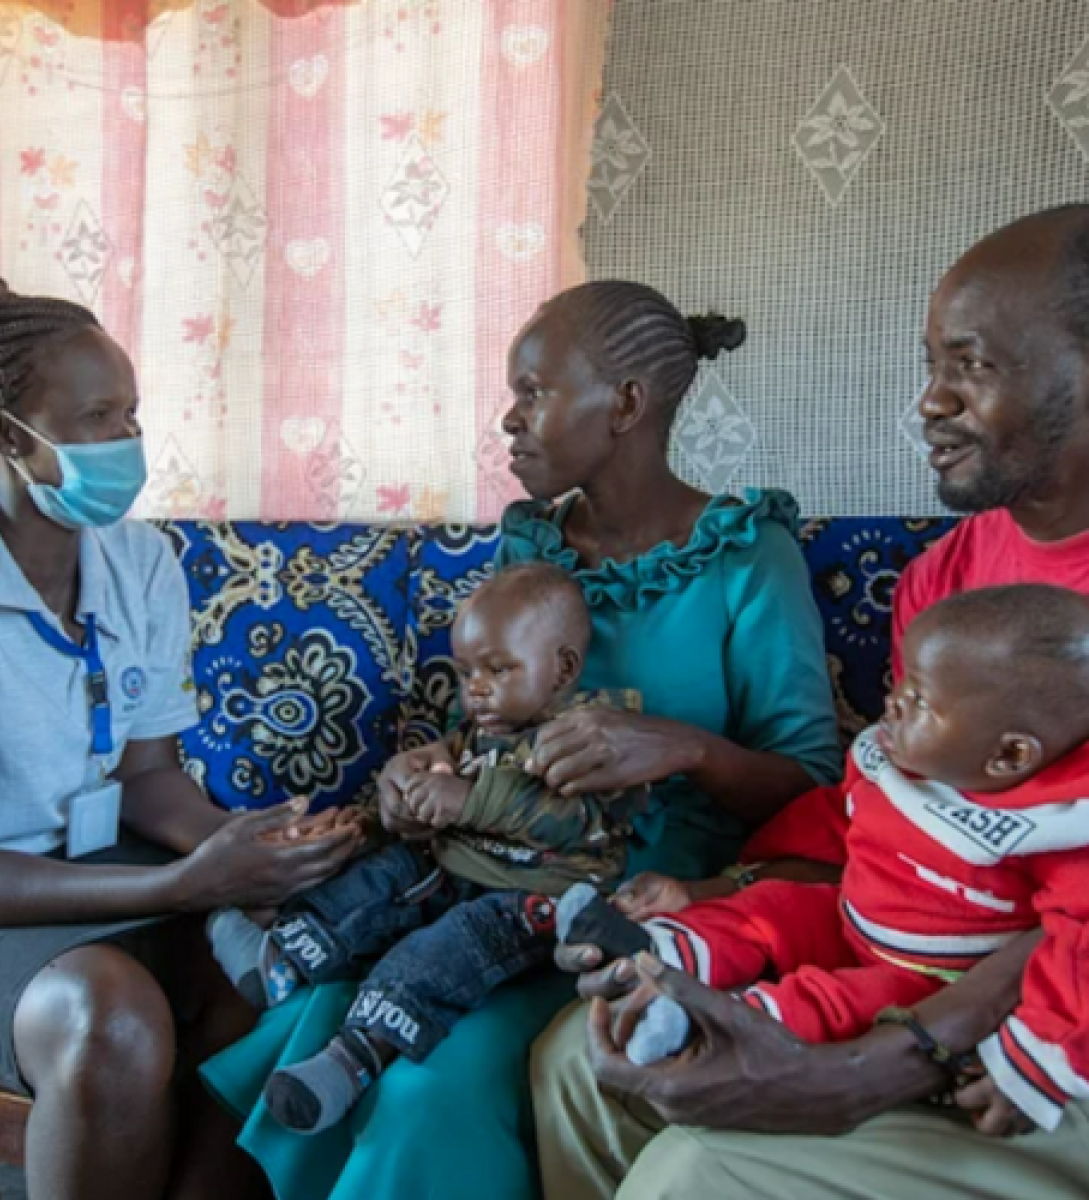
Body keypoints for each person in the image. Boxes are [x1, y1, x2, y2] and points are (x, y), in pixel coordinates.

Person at [200, 280, 842, 1199]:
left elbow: (812, 794)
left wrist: (681, 746)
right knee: (326, 1008)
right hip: (484, 873)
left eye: (533, 392)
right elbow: (486, 721)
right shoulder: (530, 552)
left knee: (430, 1085)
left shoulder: (744, 555)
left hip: (633, 909)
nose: (509, 420)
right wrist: (425, 770)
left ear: (626, 403)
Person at [533, 204, 1089, 1200]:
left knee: (690, 1175)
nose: (929, 401)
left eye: (973, 366)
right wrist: (724, 896)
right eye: (932, 365)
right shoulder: (948, 578)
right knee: (582, 1060)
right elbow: (892, 808)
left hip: (1048, 1040)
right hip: (911, 976)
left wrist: (873, 1066)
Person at [0, 272, 364, 1200]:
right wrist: (180, 883)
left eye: (132, 414)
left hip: (103, 870)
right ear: (3, 437)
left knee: (294, 960)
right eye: (97, 418)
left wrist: (248, 841)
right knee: (109, 1020)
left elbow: (150, 779)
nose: (128, 443)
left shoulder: (140, 562)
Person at [555, 583, 1089, 1135]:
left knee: (833, 1003)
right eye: (900, 681)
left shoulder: (1058, 824)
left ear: (1009, 755)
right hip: (846, 915)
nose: (893, 703)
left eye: (922, 701)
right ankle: (656, 949)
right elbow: (839, 821)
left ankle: (701, 1021)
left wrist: (1037, 1060)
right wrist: (725, 883)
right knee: (768, 910)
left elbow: (1077, 948)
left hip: (928, 975)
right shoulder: (906, 762)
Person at [209, 562, 646, 1135]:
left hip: (527, 903)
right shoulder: (477, 732)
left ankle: (351, 1060)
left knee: (442, 951)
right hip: (450, 870)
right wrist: (394, 814)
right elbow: (435, 804)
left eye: (498, 669)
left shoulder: (593, 733)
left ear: (563, 668)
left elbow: (574, 823)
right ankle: (284, 959)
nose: (478, 688)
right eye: (467, 673)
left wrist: (467, 800)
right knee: (382, 876)